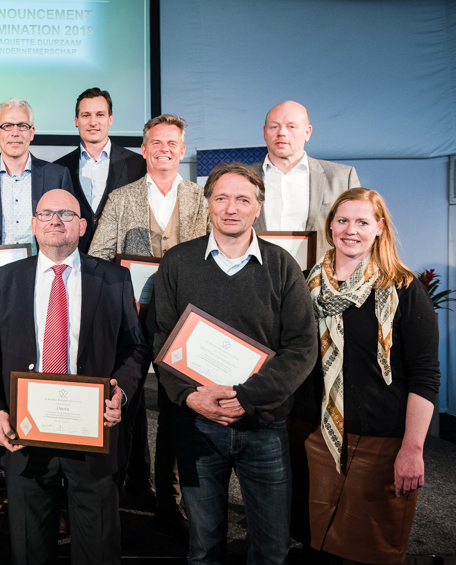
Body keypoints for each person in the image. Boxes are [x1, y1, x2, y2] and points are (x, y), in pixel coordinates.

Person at [152, 162, 318, 565]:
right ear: (207, 203)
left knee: (271, 548)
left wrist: (246, 397)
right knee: (204, 546)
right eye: (222, 197)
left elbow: (302, 348)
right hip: (197, 426)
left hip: (264, 427)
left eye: (243, 199)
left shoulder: (282, 267)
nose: (231, 208)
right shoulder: (177, 262)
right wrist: (190, 398)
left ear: (257, 207)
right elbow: (160, 337)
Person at [0, 189, 149, 565]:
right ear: (33, 224)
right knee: (28, 552)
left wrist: (119, 393)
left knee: (98, 553)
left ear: (82, 225)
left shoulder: (114, 279)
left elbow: (134, 350)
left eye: (65, 214)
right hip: (24, 435)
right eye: (46, 214)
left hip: (91, 436)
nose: (55, 221)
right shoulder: (5, 279)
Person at [290, 188, 440, 565]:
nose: (350, 230)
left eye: (362, 222)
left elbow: (424, 376)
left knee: (373, 552)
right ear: (330, 227)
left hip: (379, 443)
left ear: (380, 228)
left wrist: (413, 449)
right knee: (314, 546)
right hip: (312, 436)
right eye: (342, 220)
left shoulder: (404, 290)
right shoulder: (305, 285)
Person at [87, 114, 209, 529]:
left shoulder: (202, 198)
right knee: (125, 407)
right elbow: (100, 257)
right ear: (144, 150)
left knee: (180, 410)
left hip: (186, 326)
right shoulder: (121, 198)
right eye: (156, 143)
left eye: (172, 143)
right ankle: (117, 494)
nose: (164, 150)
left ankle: (171, 501)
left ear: (182, 149)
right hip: (132, 325)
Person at [0, 98, 74, 248]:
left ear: (31, 132)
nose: (15, 133)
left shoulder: (57, 176)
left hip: (41, 268)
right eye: (7, 126)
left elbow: (70, 235)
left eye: (22, 126)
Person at [251, 100, 360, 256]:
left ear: (307, 132)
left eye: (291, 127)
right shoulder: (242, 177)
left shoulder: (342, 177)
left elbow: (359, 234)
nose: (282, 132)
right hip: (258, 275)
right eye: (274, 126)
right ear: (265, 132)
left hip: (320, 277)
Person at [53, 88, 146, 254]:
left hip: (119, 262)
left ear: (110, 119)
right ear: (76, 120)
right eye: (86, 115)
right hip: (74, 258)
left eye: (100, 115)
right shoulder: (59, 168)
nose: (93, 122)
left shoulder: (137, 164)